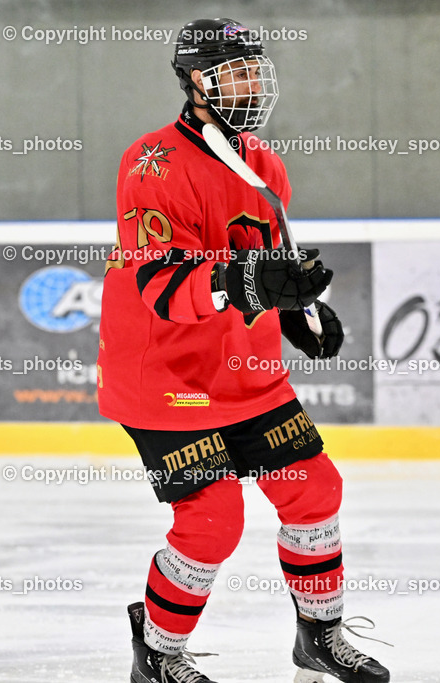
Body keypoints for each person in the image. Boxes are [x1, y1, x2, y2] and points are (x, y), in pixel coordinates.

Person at [98, 17, 390, 683]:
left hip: (246, 370)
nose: (251, 83)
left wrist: (296, 311)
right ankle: (159, 650)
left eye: (255, 69)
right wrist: (248, 280)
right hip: (165, 377)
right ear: (195, 81)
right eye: (235, 71)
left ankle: (320, 636)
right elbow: (163, 284)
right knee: (212, 520)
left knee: (315, 490)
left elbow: (266, 263)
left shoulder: (264, 163)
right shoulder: (152, 163)